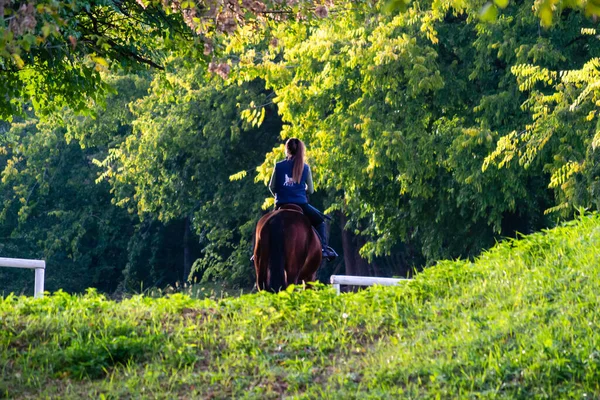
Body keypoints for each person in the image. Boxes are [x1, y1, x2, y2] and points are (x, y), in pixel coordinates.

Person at [269, 138, 338, 261]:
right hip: (301, 204)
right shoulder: (305, 168)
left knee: (267, 225)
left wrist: (281, 194)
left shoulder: (278, 166)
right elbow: (310, 190)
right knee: (320, 222)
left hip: (281, 204)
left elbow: (272, 187)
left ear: (287, 150)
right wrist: (300, 191)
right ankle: (323, 249)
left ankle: (259, 251)